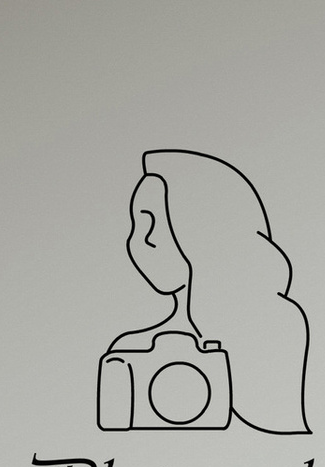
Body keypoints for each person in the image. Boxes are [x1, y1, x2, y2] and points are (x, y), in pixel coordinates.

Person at [100, 150, 311, 435]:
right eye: (137, 222)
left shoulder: (131, 349)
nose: (141, 238)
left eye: (145, 221)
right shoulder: (130, 352)